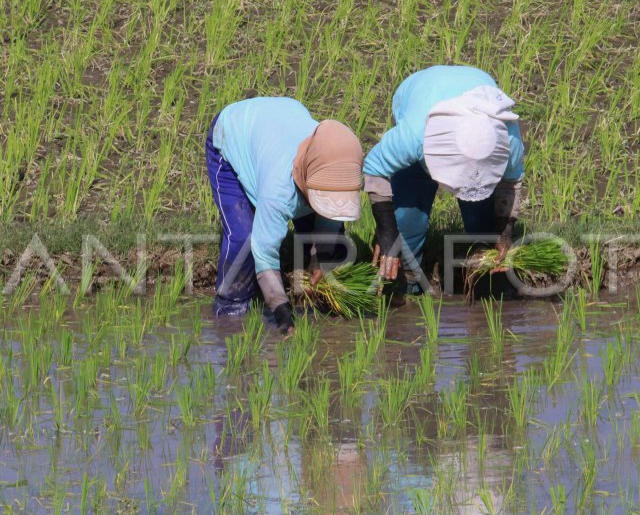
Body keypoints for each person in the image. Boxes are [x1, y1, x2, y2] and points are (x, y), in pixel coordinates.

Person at [206, 97, 364, 332]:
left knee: (330, 245)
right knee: (244, 238)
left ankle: (310, 292)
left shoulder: (336, 166)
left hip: (285, 118)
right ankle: (229, 312)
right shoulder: (278, 190)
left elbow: (334, 212)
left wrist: (322, 256)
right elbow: (265, 253)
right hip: (232, 133)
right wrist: (280, 310)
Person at [363, 66, 524, 287]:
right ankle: (408, 283)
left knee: (482, 225)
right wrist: (387, 231)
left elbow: (510, 182)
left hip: (475, 87)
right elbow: (374, 168)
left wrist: (504, 232)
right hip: (420, 90)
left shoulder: (506, 138)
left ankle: (484, 280)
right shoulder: (414, 136)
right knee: (407, 223)